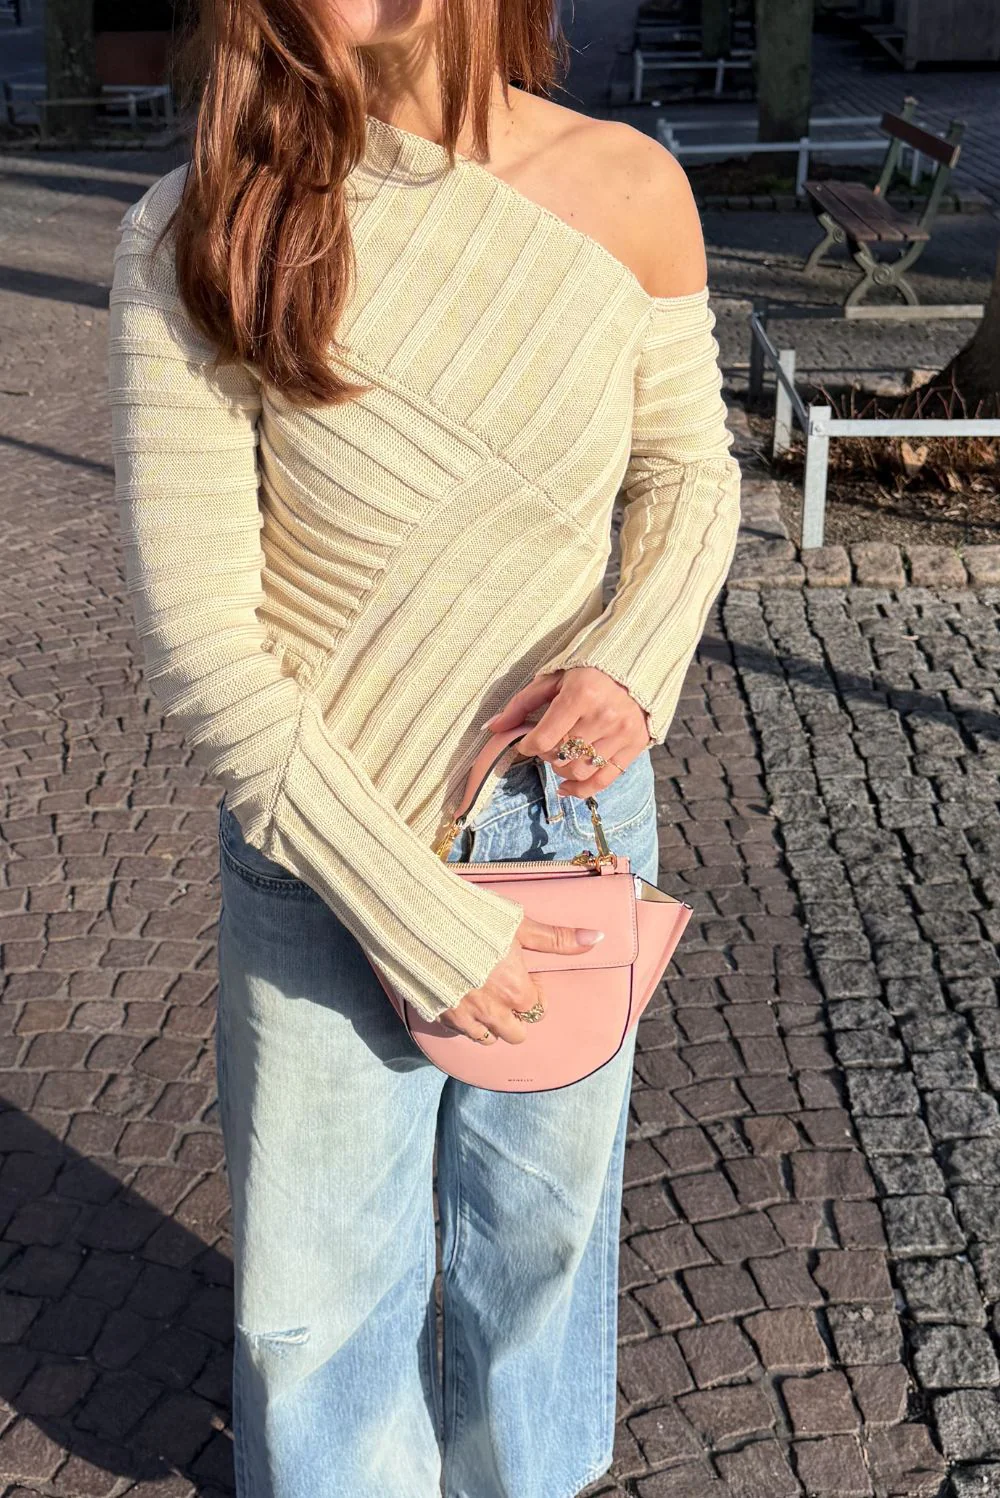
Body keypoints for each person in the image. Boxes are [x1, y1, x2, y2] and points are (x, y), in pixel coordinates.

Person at [107, 1, 742, 1494]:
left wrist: (631, 658)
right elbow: (202, 642)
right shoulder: (205, 230)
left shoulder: (632, 188)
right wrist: (407, 909)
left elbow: (687, 470)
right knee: (315, 1307)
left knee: (543, 1255)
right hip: (327, 858)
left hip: (570, 831)